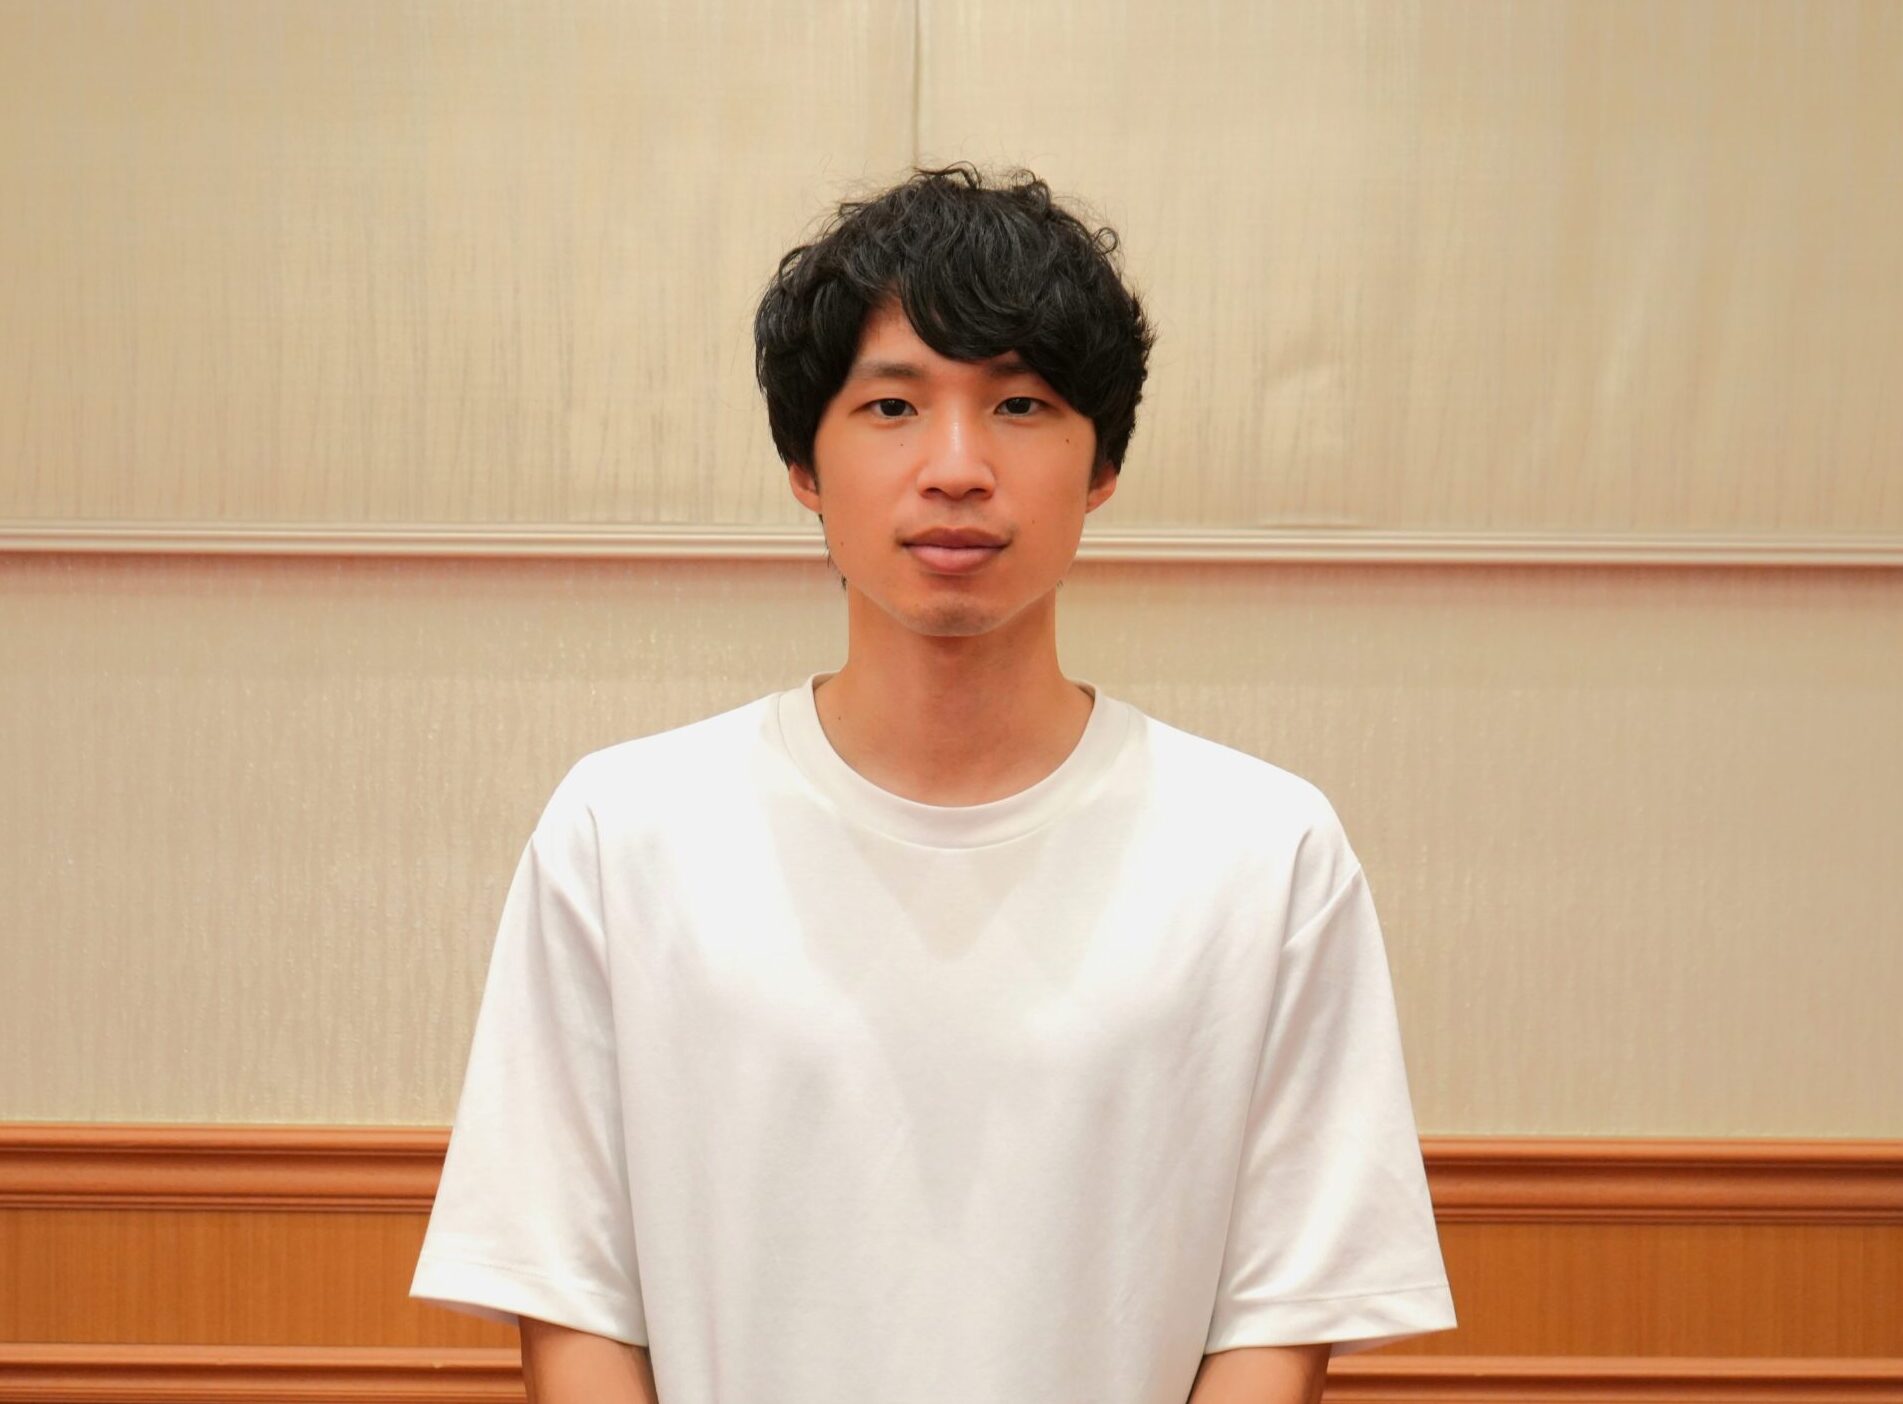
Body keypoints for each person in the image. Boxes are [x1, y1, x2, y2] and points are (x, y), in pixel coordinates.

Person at [410, 163, 1456, 1404]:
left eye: (1019, 405)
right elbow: (568, 1291)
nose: (956, 466)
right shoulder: (624, 830)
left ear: (1102, 465)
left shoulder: (1263, 848)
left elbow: (1282, 1312)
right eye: (893, 406)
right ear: (805, 464)